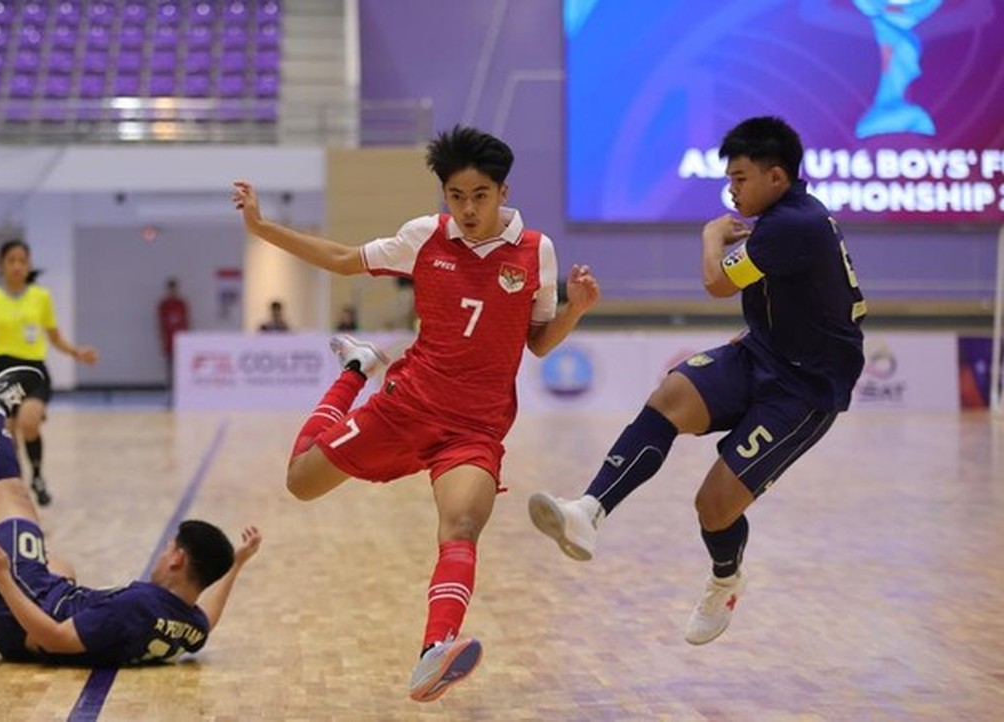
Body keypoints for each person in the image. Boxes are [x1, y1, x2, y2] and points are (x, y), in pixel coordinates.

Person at [231, 125, 601, 702]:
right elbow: (342, 258)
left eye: (480, 196)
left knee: (461, 526)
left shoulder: (536, 251)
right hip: (407, 406)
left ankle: (434, 651)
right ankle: (355, 369)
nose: (469, 209)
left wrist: (575, 311)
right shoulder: (424, 238)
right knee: (301, 481)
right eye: (456, 196)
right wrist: (261, 228)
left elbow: (538, 342)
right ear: (444, 197)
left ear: (503, 192)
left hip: (476, 427)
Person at [529, 116, 866, 646]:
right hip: (762, 352)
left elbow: (715, 282)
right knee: (670, 396)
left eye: (740, 178)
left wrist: (710, 235)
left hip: (805, 390)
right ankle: (588, 512)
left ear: (777, 177)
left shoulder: (792, 225)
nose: (731, 191)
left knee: (713, 507)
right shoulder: (784, 219)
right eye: (730, 180)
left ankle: (725, 580)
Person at [0, 365, 262, 666]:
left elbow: (55, 639)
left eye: (167, 548)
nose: (162, 555)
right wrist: (237, 563)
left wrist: (2, 577)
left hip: (8, 613)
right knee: (58, 564)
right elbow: (209, 618)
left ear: (177, 558)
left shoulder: (137, 607)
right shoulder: (189, 624)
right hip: (50, 601)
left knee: (11, 495)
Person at [0, 240, 99, 507]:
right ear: (1, 265)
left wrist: (77, 353)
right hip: (1, 369)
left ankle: (37, 476)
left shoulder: (41, 297)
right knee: (6, 432)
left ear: (28, 265)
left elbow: (55, 338)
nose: (17, 266)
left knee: (29, 422)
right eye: (11, 261)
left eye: (22, 261)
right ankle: (14, 484)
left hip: (33, 370)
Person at [157, 277, 191, 386]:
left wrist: (187, 339)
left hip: (181, 341)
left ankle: (182, 386)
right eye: (171, 289)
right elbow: (160, 324)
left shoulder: (181, 304)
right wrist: (162, 340)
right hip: (169, 341)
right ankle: (170, 387)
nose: (173, 291)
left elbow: (186, 321)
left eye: (174, 289)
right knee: (170, 367)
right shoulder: (163, 305)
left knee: (182, 366)